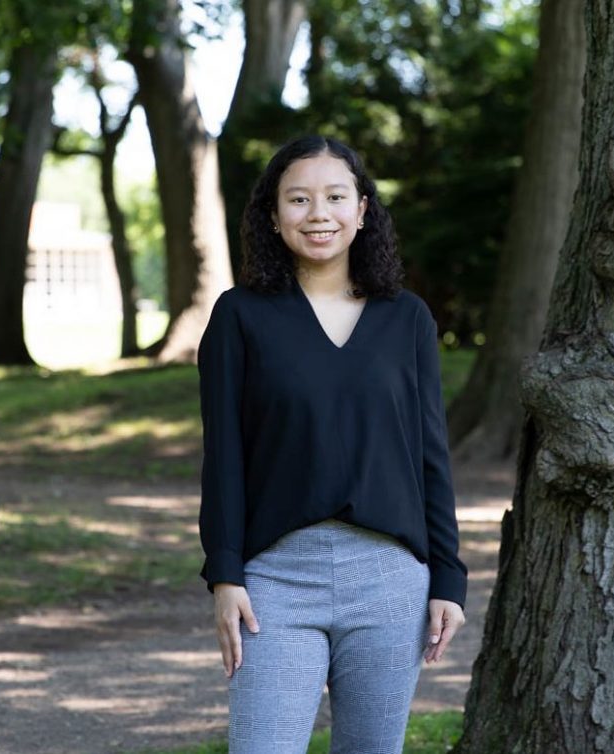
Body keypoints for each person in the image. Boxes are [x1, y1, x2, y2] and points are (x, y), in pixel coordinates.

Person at [197, 134, 468, 754]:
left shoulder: (408, 319)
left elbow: (431, 456)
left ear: (362, 209)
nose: (318, 213)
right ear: (273, 215)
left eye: (335, 196)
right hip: (273, 585)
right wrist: (225, 575)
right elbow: (225, 458)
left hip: (390, 582)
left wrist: (447, 578)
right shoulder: (240, 316)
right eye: (298, 199)